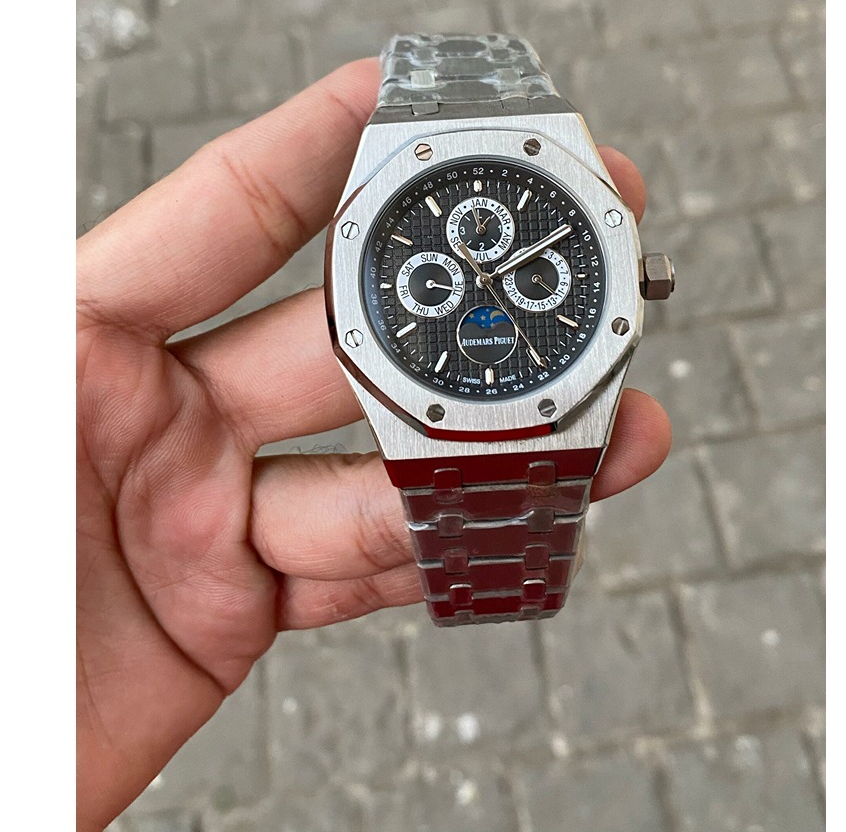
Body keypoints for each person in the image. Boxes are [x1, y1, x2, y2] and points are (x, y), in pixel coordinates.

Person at [76, 58, 672, 830]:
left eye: (519, 275)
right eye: (463, 279)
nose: (486, 286)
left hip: (535, 398)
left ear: (639, 279)